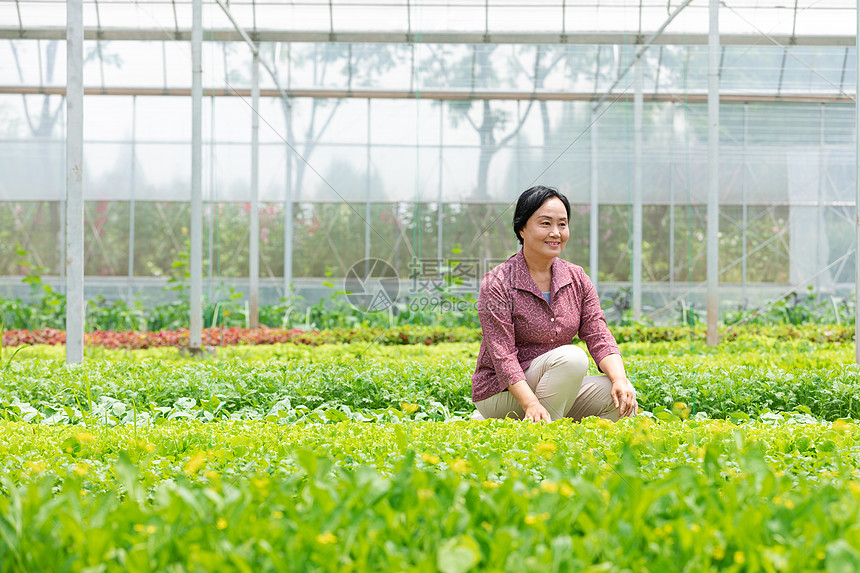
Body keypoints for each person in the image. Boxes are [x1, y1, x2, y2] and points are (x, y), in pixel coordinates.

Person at [472, 186, 637, 423]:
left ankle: (549, 425)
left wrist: (619, 380)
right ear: (522, 229)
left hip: (557, 382)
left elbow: (598, 334)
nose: (556, 233)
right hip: (503, 392)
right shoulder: (498, 282)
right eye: (545, 223)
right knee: (572, 358)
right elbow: (503, 356)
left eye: (562, 224)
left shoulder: (577, 277)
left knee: (621, 399)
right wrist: (530, 403)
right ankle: (546, 436)